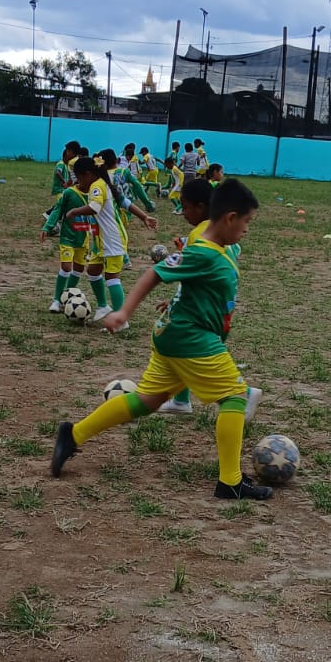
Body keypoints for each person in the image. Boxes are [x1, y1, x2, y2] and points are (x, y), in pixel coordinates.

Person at [50, 178, 272, 501]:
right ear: (229, 218)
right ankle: (230, 482)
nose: (247, 229)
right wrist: (123, 312)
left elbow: (196, 282)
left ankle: (73, 434)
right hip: (190, 338)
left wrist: (180, 298)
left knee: (146, 401)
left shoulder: (222, 246)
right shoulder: (203, 251)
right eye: (247, 222)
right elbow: (154, 273)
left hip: (174, 335)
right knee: (236, 396)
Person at [158, 177, 261, 423]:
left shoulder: (200, 234)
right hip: (221, 302)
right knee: (188, 354)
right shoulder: (225, 233)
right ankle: (181, 400)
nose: (183, 212)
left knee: (198, 355)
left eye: (185, 206)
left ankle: (243, 393)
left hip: (204, 306)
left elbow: (194, 273)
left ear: (202, 207)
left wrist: (177, 298)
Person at [88, 151, 156, 320]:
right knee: (93, 270)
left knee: (112, 276)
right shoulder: (105, 183)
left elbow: (122, 201)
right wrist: (144, 215)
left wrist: (144, 216)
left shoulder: (101, 185)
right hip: (101, 237)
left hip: (112, 235)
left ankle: (120, 318)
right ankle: (103, 306)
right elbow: (125, 201)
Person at [41, 154, 100, 312]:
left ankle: (65, 297)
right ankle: (56, 300)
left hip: (83, 238)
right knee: (66, 267)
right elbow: (57, 210)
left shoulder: (96, 194)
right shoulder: (69, 193)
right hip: (67, 237)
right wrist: (47, 226)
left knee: (79, 269)